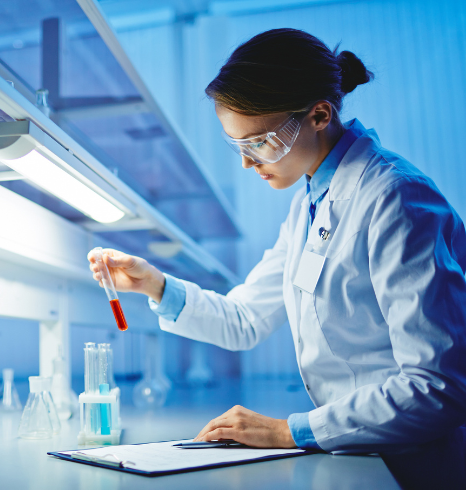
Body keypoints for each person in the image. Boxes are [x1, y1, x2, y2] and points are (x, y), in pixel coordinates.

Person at [88, 28, 466, 461]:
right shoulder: (309, 204)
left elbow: (438, 388)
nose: (248, 162)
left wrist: (290, 431)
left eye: (261, 141)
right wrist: (155, 285)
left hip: (415, 462)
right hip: (358, 452)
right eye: (238, 146)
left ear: (319, 115)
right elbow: (245, 319)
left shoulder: (395, 198)